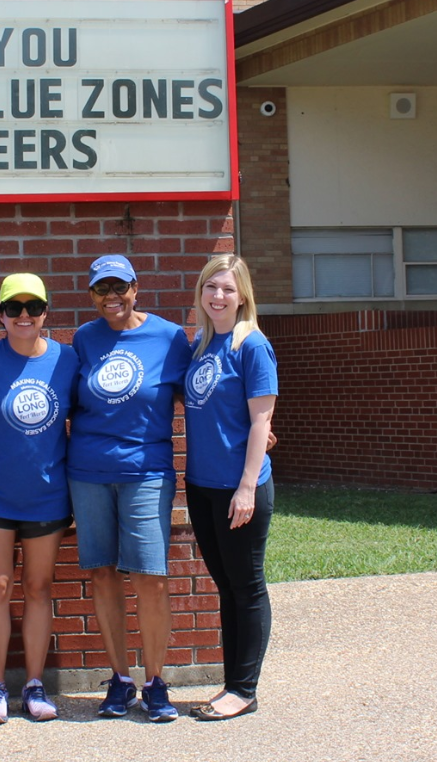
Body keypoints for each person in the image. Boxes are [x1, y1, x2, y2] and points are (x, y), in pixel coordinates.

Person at [68, 254, 192, 722]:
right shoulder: (84, 338)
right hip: (89, 471)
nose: (111, 297)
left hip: (146, 470)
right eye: (102, 289)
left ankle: (156, 682)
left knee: (151, 578)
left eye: (120, 287)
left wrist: (253, 428)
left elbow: (199, 392)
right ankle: (120, 680)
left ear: (136, 288)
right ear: (91, 295)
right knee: (102, 572)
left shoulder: (167, 337)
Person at [0, 273, 79, 725]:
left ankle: (34, 682)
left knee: (38, 588)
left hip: (47, 495)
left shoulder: (66, 360)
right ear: (1, 315)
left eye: (34, 307)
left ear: (46, 312)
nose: (25, 315)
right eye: (14, 308)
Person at [182, 254, 278, 722]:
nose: (218, 296)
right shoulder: (202, 345)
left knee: (246, 585)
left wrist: (246, 488)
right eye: (210, 287)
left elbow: (262, 421)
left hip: (239, 489)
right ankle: (231, 683)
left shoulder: (251, 345)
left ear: (243, 296)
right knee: (226, 586)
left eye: (227, 288)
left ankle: (244, 689)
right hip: (202, 485)